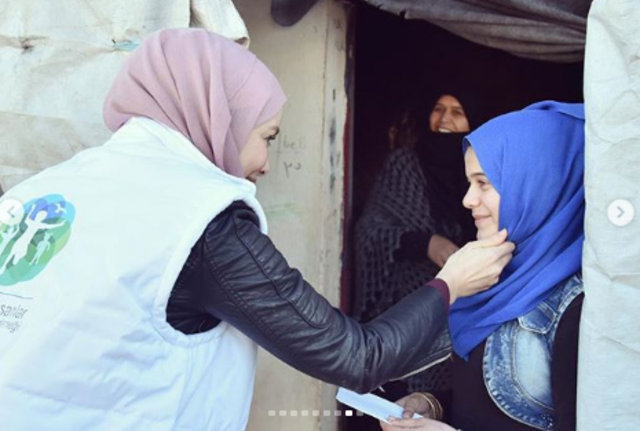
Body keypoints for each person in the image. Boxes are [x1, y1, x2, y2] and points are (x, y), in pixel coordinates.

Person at [0, 29, 514, 430]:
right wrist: (452, 283)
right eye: (267, 136)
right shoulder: (201, 220)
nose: (265, 163)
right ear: (218, 119)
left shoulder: (45, 190)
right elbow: (356, 356)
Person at [381, 101, 585, 431]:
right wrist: (432, 405)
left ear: (536, 186)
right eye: (469, 183)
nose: (468, 200)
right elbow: (489, 402)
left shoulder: (580, 308)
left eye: (483, 183)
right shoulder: (494, 278)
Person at [353, 92, 481, 402]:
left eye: (457, 111)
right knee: (402, 407)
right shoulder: (404, 166)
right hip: (407, 311)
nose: (445, 119)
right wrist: (426, 244)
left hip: (466, 312)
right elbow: (369, 231)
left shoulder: (483, 172)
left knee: (457, 399)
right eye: (438, 109)